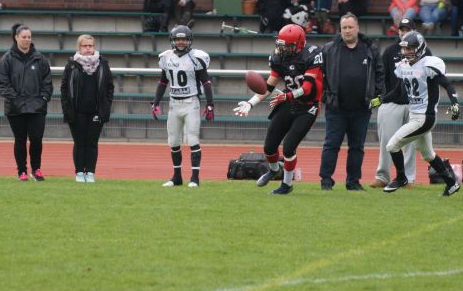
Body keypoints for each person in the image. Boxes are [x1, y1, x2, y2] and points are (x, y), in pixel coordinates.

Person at [233, 24, 323, 195]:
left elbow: (307, 88)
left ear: (298, 44)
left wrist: (287, 96)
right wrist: (250, 103)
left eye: (287, 45)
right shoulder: (279, 57)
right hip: (288, 101)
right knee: (269, 147)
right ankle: (274, 170)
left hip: (308, 106)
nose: (283, 49)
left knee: (288, 147)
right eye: (282, 45)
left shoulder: (311, 54)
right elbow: (268, 87)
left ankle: (286, 185)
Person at [373, 31, 461, 196]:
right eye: (404, 48)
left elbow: (447, 85)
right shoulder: (404, 66)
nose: (406, 52)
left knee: (392, 145)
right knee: (428, 154)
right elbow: (398, 91)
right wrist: (381, 99)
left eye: (410, 48)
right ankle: (451, 183)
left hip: (425, 117)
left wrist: (454, 103)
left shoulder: (428, 65)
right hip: (415, 116)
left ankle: (401, 178)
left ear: (420, 48)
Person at [318, 13, 382, 191]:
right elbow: (319, 75)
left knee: (357, 147)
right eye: (344, 27)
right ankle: (326, 180)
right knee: (331, 145)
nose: (347, 30)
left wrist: (376, 98)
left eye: (350, 27)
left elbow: (380, 75)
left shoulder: (370, 49)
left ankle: (353, 182)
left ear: (357, 28)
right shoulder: (329, 48)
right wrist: (326, 97)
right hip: (336, 108)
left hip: (362, 109)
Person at [151, 25, 214, 188]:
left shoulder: (196, 58)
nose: (180, 42)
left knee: (193, 139)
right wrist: (156, 102)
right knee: (173, 141)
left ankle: (195, 178)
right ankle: (177, 177)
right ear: (172, 40)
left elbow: (206, 82)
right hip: (174, 104)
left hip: (191, 103)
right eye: (178, 39)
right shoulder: (166, 58)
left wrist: (210, 104)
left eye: (184, 39)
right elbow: (163, 81)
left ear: (189, 41)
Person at [370, 18, 425, 188]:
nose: (404, 32)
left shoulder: (424, 51)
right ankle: (382, 176)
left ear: (414, 31)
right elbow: (382, 76)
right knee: (386, 141)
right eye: (401, 29)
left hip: (414, 103)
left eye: (407, 29)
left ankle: (408, 178)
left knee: (410, 142)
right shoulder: (390, 51)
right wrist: (382, 97)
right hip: (392, 102)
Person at [0, 24, 53, 182]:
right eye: (24, 37)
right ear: (16, 37)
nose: (27, 39)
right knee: (20, 140)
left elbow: (47, 83)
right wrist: (15, 99)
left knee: (36, 139)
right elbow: (3, 83)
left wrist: (43, 98)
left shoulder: (40, 59)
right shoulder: (7, 58)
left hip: (37, 107)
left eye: (29, 37)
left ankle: (36, 169)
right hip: (15, 108)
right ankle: (21, 171)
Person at [61, 34, 114, 183]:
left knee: (92, 143)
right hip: (76, 111)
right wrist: (67, 108)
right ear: (79, 47)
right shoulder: (71, 65)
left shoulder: (103, 64)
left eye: (90, 46)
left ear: (94, 47)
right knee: (79, 143)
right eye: (84, 46)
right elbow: (64, 88)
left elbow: (109, 87)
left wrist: (106, 106)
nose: (88, 48)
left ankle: (90, 172)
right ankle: (79, 172)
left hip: (96, 111)